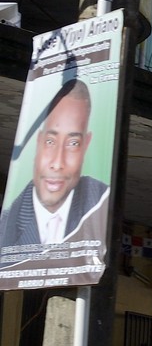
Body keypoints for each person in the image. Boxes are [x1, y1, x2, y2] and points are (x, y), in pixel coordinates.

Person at [0, 79, 110, 252]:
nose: (58, 163)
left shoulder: (101, 202)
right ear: (38, 140)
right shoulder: (6, 228)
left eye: (73, 143)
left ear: (86, 145)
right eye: (50, 141)